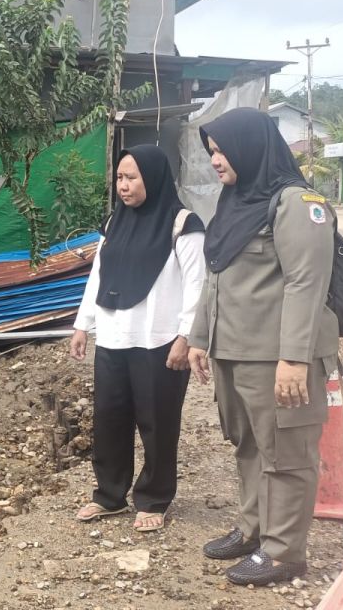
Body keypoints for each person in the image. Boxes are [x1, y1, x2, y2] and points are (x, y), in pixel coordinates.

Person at [186, 107, 339, 587]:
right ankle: (253, 529)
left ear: (253, 147)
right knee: (250, 446)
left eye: (222, 149)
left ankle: (284, 551)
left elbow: (305, 283)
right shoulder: (236, 203)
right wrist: (197, 337)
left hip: (278, 357)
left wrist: (293, 358)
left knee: (286, 453)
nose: (215, 160)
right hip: (234, 353)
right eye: (210, 151)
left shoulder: (296, 203)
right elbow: (216, 275)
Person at [70, 144, 205, 532]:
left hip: (160, 340)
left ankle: (154, 498)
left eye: (132, 178)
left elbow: (198, 285)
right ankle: (109, 495)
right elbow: (99, 276)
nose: (123, 187)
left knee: (158, 422)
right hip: (113, 337)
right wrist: (83, 325)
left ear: (154, 177)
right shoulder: (115, 223)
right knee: (109, 419)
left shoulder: (183, 224)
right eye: (119, 178)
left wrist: (186, 336)